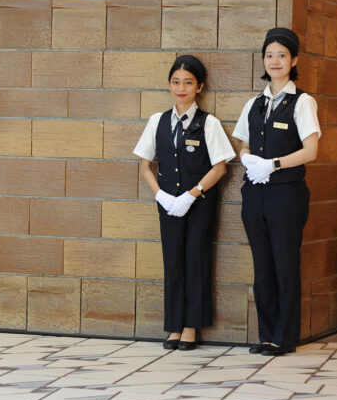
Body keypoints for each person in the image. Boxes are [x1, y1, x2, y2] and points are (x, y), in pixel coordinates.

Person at [134, 55, 234, 351]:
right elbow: (144, 166)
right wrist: (160, 195)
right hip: (168, 204)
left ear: (199, 87)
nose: (181, 88)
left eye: (188, 83)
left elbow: (220, 168)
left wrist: (193, 193)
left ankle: (191, 326)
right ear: (169, 84)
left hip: (199, 204)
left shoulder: (209, 123)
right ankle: (174, 326)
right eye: (176, 82)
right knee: (173, 261)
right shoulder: (157, 121)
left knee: (195, 259)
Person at [232, 27, 320, 356]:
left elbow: (311, 151)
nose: (275, 61)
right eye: (269, 55)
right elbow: (242, 143)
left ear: (294, 60)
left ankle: (284, 337)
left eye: (282, 55)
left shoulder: (302, 102)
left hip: (286, 194)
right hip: (255, 193)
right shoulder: (254, 104)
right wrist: (247, 159)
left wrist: (275, 164)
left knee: (285, 264)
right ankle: (267, 335)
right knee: (263, 268)